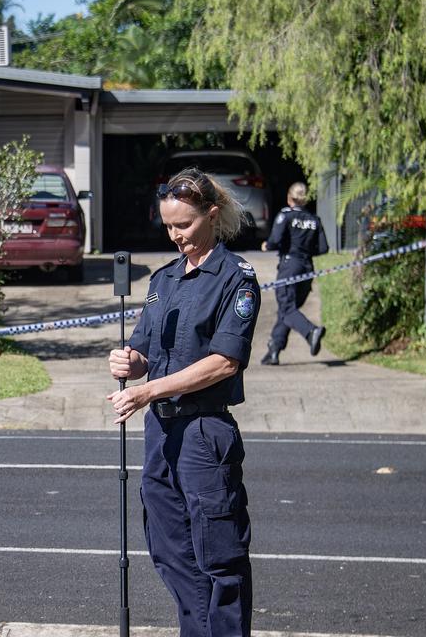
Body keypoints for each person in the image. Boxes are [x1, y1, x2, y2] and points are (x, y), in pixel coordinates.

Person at [107, 168, 259, 636]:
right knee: (172, 555)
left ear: (212, 215)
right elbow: (145, 349)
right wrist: (130, 362)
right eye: (168, 225)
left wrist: (149, 388)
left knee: (220, 559)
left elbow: (224, 362)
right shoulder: (163, 280)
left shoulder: (237, 279)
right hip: (161, 434)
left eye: (184, 225)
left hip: (203, 435)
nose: (175, 235)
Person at [259, 181, 329, 365]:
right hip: (307, 269)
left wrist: (267, 245)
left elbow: (275, 239)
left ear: (290, 198)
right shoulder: (314, 219)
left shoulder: (285, 215)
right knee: (287, 310)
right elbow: (323, 248)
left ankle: (311, 331)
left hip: (290, 267)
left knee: (287, 308)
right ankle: (274, 350)